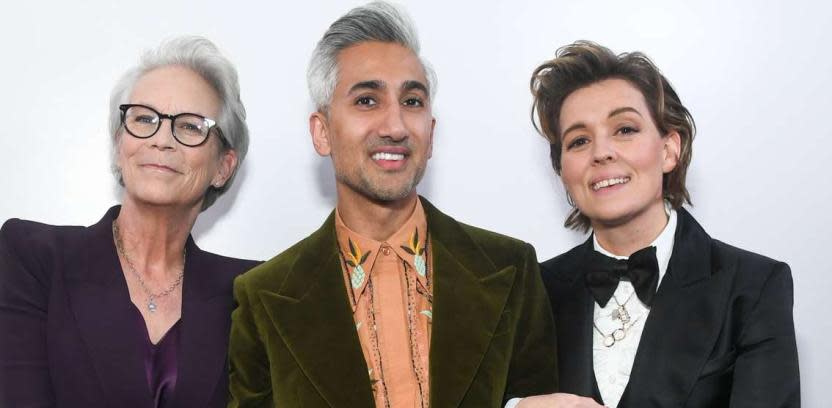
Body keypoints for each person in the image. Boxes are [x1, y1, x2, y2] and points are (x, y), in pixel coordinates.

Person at [227, 2, 557, 407]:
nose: (396, 126)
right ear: (322, 132)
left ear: (431, 134)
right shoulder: (265, 297)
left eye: (413, 102)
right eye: (367, 100)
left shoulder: (511, 270)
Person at [523, 41, 800, 407]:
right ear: (562, 171)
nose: (602, 152)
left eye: (624, 129)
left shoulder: (753, 287)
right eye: (579, 140)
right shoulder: (532, 293)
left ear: (670, 149)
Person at [0, 36, 259, 407]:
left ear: (223, 166)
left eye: (189, 126)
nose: (161, 139)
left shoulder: (249, 293)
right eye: (144, 119)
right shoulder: (33, 257)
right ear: (120, 146)